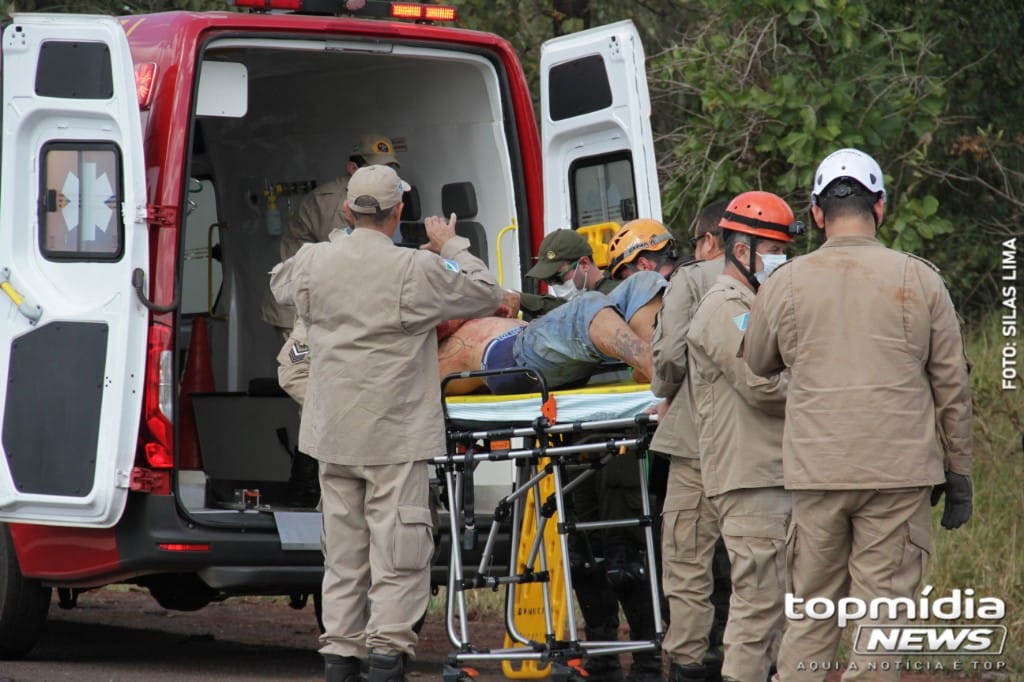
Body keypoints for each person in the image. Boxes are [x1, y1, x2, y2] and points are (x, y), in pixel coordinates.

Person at [743, 148, 973, 681]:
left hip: (817, 474)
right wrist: (958, 471)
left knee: (811, 612)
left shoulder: (785, 283)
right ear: (881, 207)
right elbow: (952, 387)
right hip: (898, 475)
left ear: (818, 214)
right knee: (882, 616)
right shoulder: (921, 280)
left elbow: (757, 361)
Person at [270, 164, 503, 682]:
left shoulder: (313, 262)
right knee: (399, 553)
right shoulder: (412, 270)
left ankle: (339, 656)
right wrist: (449, 246)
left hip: (333, 437)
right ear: (400, 212)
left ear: (348, 210)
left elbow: (282, 285)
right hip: (394, 437)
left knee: (344, 555)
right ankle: (386, 658)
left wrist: (334, 248)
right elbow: (487, 291)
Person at [687, 191, 797, 682]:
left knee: (781, 615)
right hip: (752, 483)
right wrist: (826, 394)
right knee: (757, 611)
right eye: (771, 251)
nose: (780, 261)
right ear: (739, 250)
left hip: (773, 477)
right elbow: (761, 382)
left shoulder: (754, 303)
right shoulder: (723, 307)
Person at [648, 200, 733, 682]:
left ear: (706, 240)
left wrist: (665, 392)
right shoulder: (783, 277)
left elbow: (669, 364)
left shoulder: (692, 278)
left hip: (699, 442)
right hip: (767, 448)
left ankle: (688, 663)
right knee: (760, 568)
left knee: (687, 563)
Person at [261, 132, 402, 338]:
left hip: (319, 305)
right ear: (352, 169)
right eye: (374, 169)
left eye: (388, 169)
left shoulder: (365, 197)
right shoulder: (335, 201)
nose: (383, 176)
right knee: (305, 369)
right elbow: (346, 260)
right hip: (298, 308)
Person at [520, 228, 618, 319]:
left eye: (557, 277)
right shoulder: (578, 302)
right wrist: (517, 299)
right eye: (548, 280)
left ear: (584, 264)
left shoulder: (616, 295)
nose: (554, 285)